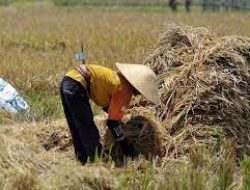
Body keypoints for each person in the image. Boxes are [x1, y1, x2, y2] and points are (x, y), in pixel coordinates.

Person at [60, 60, 160, 165]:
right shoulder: (125, 90)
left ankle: (82, 162)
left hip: (68, 80)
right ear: (136, 86)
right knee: (88, 130)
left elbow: (109, 108)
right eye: (141, 90)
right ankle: (100, 165)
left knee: (76, 128)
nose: (139, 94)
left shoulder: (116, 78)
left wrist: (119, 116)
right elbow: (112, 122)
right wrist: (126, 148)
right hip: (77, 86)